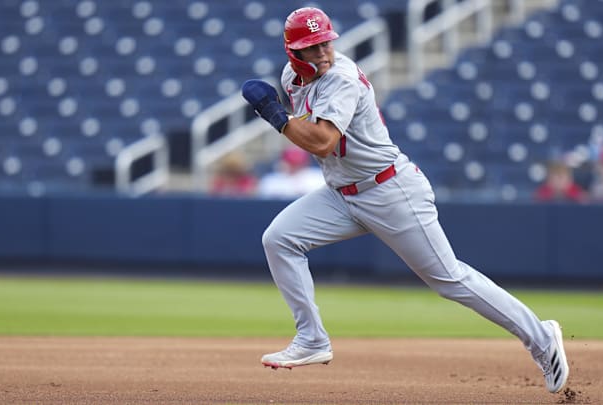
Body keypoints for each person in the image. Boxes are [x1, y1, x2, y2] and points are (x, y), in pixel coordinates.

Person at [241, 7, 569, 394]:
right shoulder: (291, 78)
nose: (324, 53)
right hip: (341, 193)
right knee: (279, 238)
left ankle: (542, 339)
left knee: (450, 279)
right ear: (294, 53)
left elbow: (324, 142)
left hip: (388, 190)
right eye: (313, 48)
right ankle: (312, 339)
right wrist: (283, 115)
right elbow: (315, 136)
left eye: (326, 42)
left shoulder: (341, 78)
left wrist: (276, 116)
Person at [256, 144, 325, 199]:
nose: (295, 166)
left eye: (298, 163)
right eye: (292, 163)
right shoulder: (271, 180)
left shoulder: (318, 177)